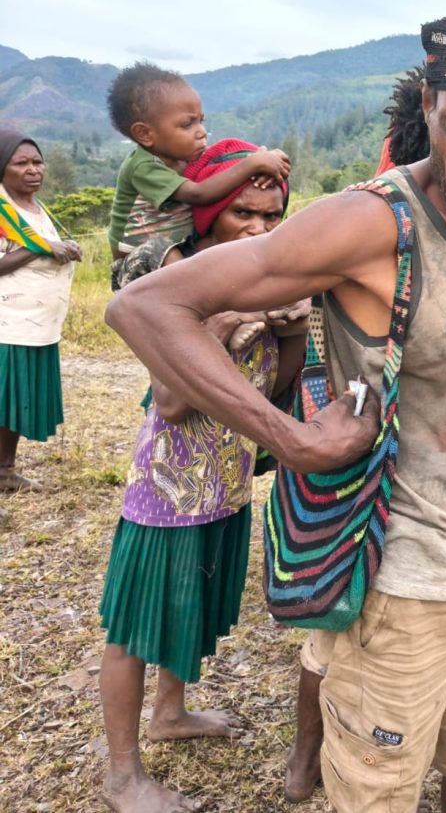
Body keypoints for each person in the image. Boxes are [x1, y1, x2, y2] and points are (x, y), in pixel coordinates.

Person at [108, 3, 446, 813]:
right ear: (428, 108)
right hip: (401, 582)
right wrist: (291, 439)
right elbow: (146, 308)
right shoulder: (373, 222)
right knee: (377, 791)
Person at [98, 138, 299, 813]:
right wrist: (226, 322)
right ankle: (123, 775)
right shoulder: (181, 290)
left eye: (273, 218)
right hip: (167, 494)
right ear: (208, 214)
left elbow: (280, 396)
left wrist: (291, 327)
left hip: (228, 485)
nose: (260, 231)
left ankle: (171, 712)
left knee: (188, 611)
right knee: (134, 627)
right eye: (245, 213)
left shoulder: (267, 283)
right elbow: (173, 399)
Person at [105, 62, 289, 263]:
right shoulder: (143, 167)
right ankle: (196, 293)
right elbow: (199, 194)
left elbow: (225, 163)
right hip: (137, 256)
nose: (201, 132)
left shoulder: (184, 157)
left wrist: (266, 156)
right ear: (145, 134)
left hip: (177, 243)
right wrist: (252, 164)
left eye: (201, 121)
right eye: (187, 124)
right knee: (165, 253)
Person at [0, 130, 81, 492]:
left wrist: (66, 246)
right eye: (21, 163)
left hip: (38, 324)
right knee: (3, 402)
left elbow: (46, 244)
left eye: (37, 161)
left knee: (16, 402)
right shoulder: (3, 210)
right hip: (8, 323)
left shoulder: (34, 207)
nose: (33, 169)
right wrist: (41, 247)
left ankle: (4, 472)